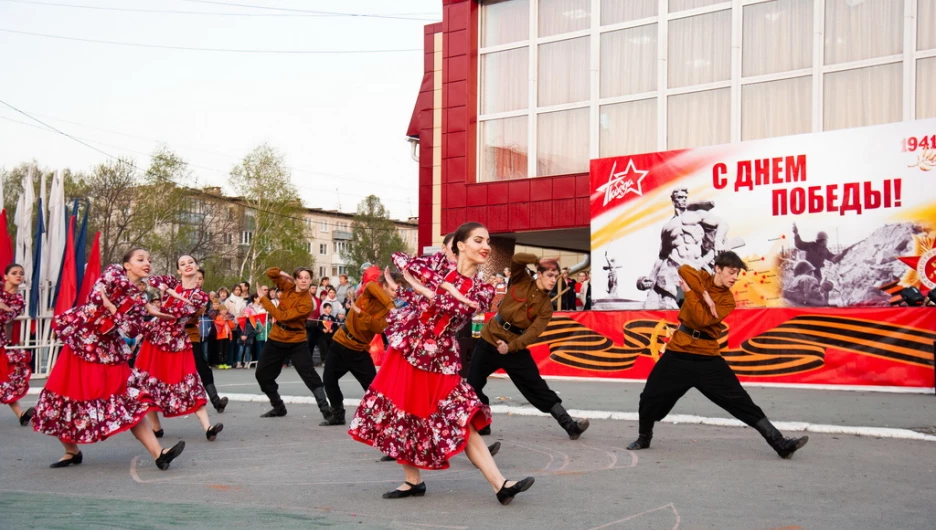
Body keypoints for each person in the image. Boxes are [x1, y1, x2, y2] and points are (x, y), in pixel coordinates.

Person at [349, 222, 535, 505]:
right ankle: (413, 481)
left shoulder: (482, 290)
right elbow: (401, 260)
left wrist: (428, 287)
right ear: (460, 245)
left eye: (487, 241)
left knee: (461, 417)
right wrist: (435, 283)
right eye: (478, 240)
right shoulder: (437, 263)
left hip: (441, 357)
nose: (486, 246)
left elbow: (456, 306)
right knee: (400, 412)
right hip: (408, 346)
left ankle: (501, 484)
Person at [626, 252, 809, 459]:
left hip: (708, 359)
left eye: (737, 274)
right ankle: (644, 438)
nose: (734, 278)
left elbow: (702, 320)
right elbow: (683, 269)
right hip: (678, 353)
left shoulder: (727, 300)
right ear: (718, 269)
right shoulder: (702, 278)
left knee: (741, 402)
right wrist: (704, 295)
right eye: (731, 272)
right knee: (650, 397)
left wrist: (691, 293)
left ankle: (780, 444)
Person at [32, 249, 185, 470]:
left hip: (108, 350)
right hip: (81, 344)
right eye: (140, 259)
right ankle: (71, 450)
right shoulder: (114, 273)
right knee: (61, 396)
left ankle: (159, 453)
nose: (147, 263)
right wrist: (131, 306)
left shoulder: (139, 298)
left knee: (130, 399)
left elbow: (132, 330)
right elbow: (100, 296)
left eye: (150, 260)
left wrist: (123, 307)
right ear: (126, 265)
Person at [468, 254, 590, 440]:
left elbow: (533, 333)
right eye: (549, 275)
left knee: (537, 388)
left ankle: (570, 425)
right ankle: (483, 424)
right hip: (489, 340)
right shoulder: (521, 279)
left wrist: (511, 347)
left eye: (555, 277)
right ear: (539, 274)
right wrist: (536, 259)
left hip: (514, 348)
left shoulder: (546, 307)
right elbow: (516, 259)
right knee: (472, 385)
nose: (552, 280)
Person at [133, 255, 223, 442]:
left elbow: (177, 313)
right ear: (179, 271)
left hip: (177, 342)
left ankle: (208, 427)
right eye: (182, 264)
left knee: (190, 382)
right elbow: (152, 279)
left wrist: (167, 298)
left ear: (197, 267)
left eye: (190, 262)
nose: (187, 265)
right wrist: (167, 288)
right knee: (149, 383)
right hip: (155, 340)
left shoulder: (199, 296)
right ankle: (156, 427)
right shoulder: (173, 282)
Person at [320, 271, 400, 426]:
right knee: (329, 380)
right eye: (393, 289)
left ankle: (386, 419)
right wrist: (390, 306)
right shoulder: (371, 294)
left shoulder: (391, 313)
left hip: (359, 352)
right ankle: (337, 414)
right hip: (340, 343)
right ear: (383, 286)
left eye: (399, 289)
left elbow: (377, 327)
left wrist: (386, 309)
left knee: (374, 388)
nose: (396, 293)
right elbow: (370, 285)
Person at [255, 267, 331, 420]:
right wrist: (283, 273)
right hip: (276, 337)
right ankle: (278, 407)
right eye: (300, 277)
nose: (303, 280)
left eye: (307, 277)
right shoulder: (288, 287)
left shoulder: (307, 302)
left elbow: (282, 316)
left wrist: (263, 299)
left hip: (296, 340)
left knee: (308, 374)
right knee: (262, 375)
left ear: (310, 281)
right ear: (295, 279)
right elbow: (270, 272)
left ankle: (326, 410)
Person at [637, 188, 728, 309]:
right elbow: (662, 255)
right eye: (680, 197)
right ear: (673, 200)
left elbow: (722, 223)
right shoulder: (668, 227)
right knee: (668, 307)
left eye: (685, 197)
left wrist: (718, 241)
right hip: (674, 267)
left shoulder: (697, 215)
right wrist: (651, 277)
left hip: (695, 265)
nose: (683, 200)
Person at [187, 268, 228, 413]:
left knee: (203, 367)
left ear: (203, 281)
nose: (197, 281)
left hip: (191, 336)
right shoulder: (178, 291)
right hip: (172, 337)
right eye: (194, 278)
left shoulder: (203, 298)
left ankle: (216, 401)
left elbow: (191, 317)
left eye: (199, 279)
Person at [0, 264, 31, 425]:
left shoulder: (19, 300)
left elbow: (7, 317)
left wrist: (3, 307)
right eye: (14, 273)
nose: (18, 275)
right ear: (5, 276)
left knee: (4, 378)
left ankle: (20, 414)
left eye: (21, 273)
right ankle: (20, 413)